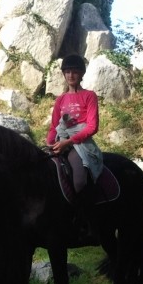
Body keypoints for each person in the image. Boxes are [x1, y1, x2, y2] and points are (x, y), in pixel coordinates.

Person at [46, 54, 104, 197]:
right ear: (64, 74)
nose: (71, 75)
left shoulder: (89, 96)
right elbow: (54, 127)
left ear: (81, 73)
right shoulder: (60, 99)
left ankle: (82, 215)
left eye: (75, 71)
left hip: (79, 144)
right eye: (67, 71)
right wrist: (50, 143)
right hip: (60, 141)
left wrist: (69, 142)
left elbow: (92, 126)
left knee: (79, 182)